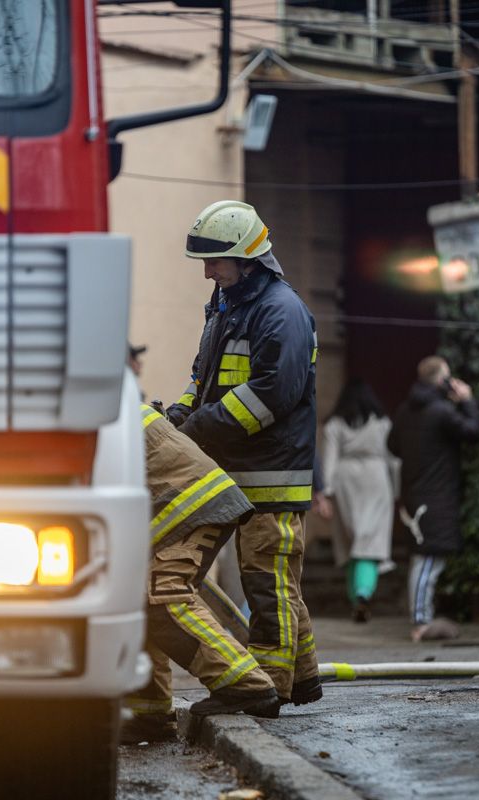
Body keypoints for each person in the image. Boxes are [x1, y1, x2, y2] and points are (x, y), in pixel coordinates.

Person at [165, 200, 322, 709]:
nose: (207, 271)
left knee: (266, 583)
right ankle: (303, 679)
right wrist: (180, 415)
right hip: (233, 469)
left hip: (271, 473)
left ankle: (268, 689)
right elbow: (203, 378)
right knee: (276, 583)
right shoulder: (227, 302)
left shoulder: (281, 311)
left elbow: (271, 394)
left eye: (215, 261)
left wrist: (198, 430)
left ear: (247, 258)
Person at [123, 404, 280, 744]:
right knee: (135, 599)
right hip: (183, 498)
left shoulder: (79, 413)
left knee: (162, 597)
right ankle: (149, 713)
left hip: (188, 501)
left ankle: (246, 685)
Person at [387, 356, 479, 643]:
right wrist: (467, 400)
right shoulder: (440, 411)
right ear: (442, 382)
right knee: (427, 560)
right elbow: (473, 431)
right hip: (436, 495)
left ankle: (421, 619)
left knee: (425, 557)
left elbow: (392, 445)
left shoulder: (406, 410)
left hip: (415, 492)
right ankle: (420, 623)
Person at [320, 378, 394, 623]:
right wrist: (397, 492)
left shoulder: (335, 424)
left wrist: (325, 493)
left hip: (346, 480)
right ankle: (364, 593)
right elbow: (393, 459)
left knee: (350, 542)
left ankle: (356, 597)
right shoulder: (382, 422)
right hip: (377, 479)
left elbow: (329, 460)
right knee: (370, 542)